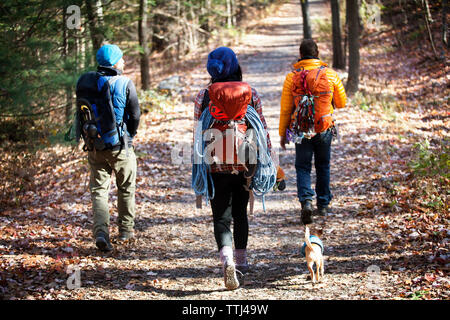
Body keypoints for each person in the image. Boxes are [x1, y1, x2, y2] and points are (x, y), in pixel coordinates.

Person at [193, 47, 272, 290]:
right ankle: (241, 263)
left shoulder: (203, 96)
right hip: (244, 163)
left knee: (221, 217)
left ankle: (226, 260)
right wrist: (269, 163)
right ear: (235, 66)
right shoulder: (250, 93)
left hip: (215, 164)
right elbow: (262, 131)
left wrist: (198, 165)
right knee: (240, 214)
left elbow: (198, 134)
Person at [76, 44, 140, 251]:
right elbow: (135, 115)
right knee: (126, 187)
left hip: (95, 145)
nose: (123, 62)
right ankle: (125, 231)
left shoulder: (90, 83)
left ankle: (101, 232)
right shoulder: (125, 83)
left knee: (99, 191)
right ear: (114, 62)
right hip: (120, 146)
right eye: (121, 58)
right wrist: (129, 135)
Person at [278, 39, 346, 224]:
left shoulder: (292, 77)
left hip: (301, 129)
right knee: (323, 166)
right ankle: (323, 205)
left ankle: (306, 202)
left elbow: (286, 108)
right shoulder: (330, 75)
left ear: (300, 55)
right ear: (317, 54)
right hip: (324, 127)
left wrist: (282, 133)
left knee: (303, 167)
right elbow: (341, 102)